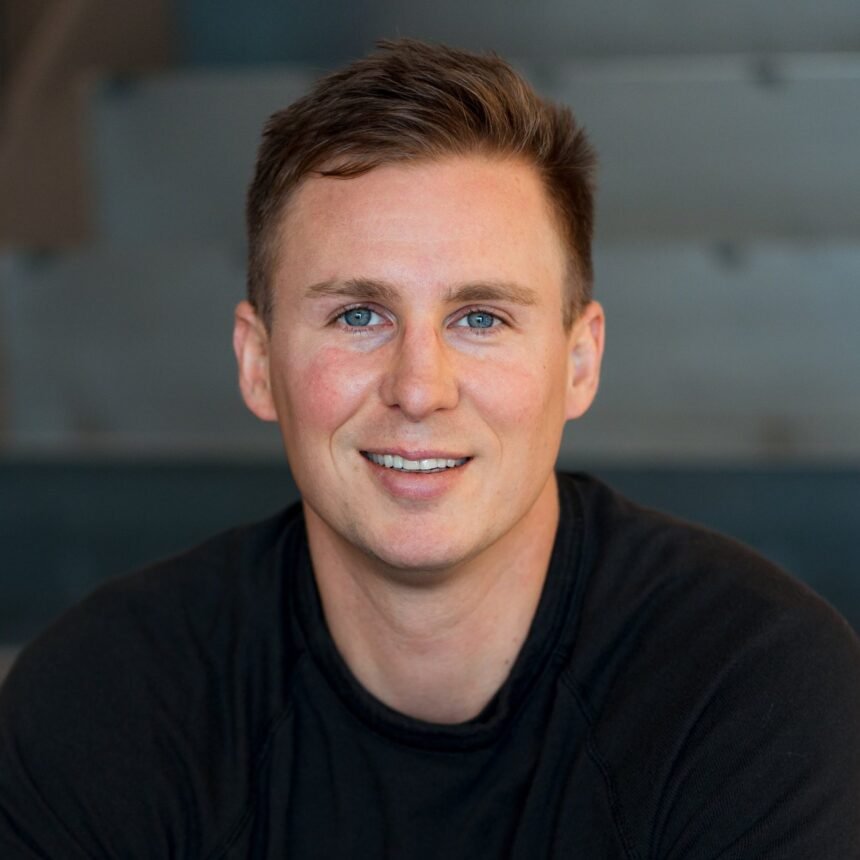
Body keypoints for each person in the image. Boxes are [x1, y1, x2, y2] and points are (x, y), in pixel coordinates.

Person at [1, 39, 858, 859]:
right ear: (258, 364)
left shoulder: (757, 689)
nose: (419, 387)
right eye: (358, 315)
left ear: (580, 363)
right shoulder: (104, 697)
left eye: (480, 317)